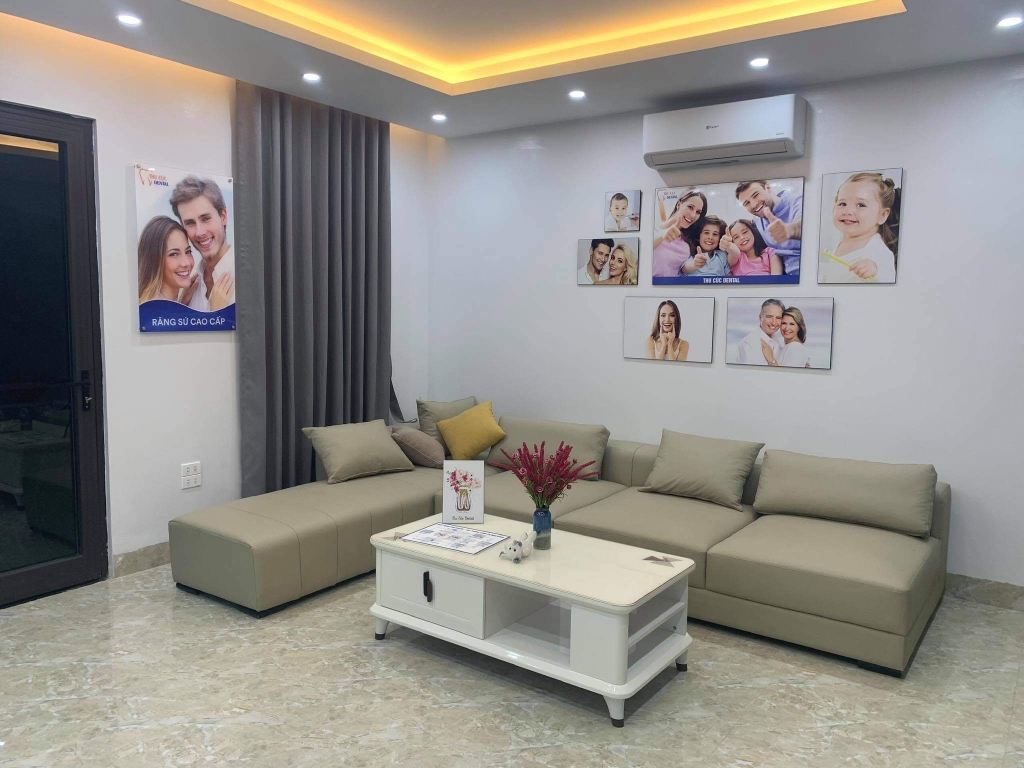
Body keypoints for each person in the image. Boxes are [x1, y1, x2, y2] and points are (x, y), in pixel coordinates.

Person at [819, 172, 901, 283]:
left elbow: (888, 278)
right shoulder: (842, 240)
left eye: (861, 205)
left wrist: (876, 271)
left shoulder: (877, 250)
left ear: (882, 215)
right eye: (842, 204)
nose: (848, 211)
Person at [171, 175, 235, 311]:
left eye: (205, 219)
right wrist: (182, 309)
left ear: (223, 217)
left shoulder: (247, 272)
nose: (199, 232)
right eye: (190, 223)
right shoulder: (189, 284)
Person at [735, 180, 802, 276]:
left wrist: (789, 230)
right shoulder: (757, 220)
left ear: (768, 188)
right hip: (784, 278)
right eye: (747, 203)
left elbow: (805, 224)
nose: (753, 205)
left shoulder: (797, 201)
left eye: (755, 195)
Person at [138, 216, 196, 303]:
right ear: (154, 260)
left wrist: (182, 305)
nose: (186, 263)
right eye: (174, 254)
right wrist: (216, 309)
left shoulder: (161, 304)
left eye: (188, 251)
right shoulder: (154, 308)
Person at [652, 190, 707, 277]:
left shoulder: (686, 244)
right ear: (679, 205)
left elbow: (684, 268)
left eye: (698, 212)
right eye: (690, 207)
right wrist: (662, 236)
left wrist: (695, 264)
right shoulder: (653, 229)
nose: (693, 215)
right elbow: (641, 252)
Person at [736, 299, 784, 365]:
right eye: (769, 317)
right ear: (760, 317)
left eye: (778, 318)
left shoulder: (775, 339)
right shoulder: (749, 343)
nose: (774, 323)